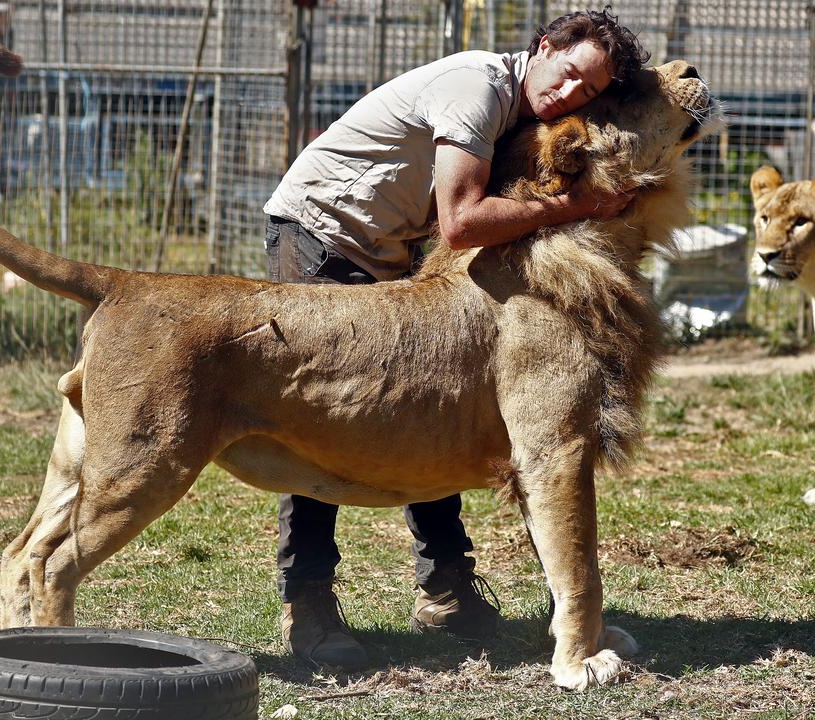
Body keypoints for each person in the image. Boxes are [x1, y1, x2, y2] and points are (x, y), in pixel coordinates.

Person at [261, 7, 649, 669]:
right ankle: (308, 606)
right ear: (544, 45)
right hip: (324, 232)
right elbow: (464, 222)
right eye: (568, 74)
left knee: (432, 407)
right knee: (322, 420)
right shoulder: (479, 89)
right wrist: (580, 207)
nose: (567, 95)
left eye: (586, 93)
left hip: (392, 249)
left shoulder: (523, 114)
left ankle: (445, 589)